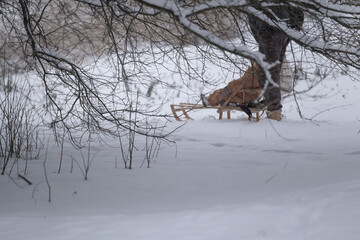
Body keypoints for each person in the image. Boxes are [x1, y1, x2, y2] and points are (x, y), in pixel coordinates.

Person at [247, 0, 304, 121]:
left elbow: (251, 14)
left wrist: (262, 37)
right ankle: (272, 106)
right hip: (282, 30)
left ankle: (274, 110)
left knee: (268, 71)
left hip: (269, 30)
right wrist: (290, 31)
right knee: (272, 70)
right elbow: (298, 10)